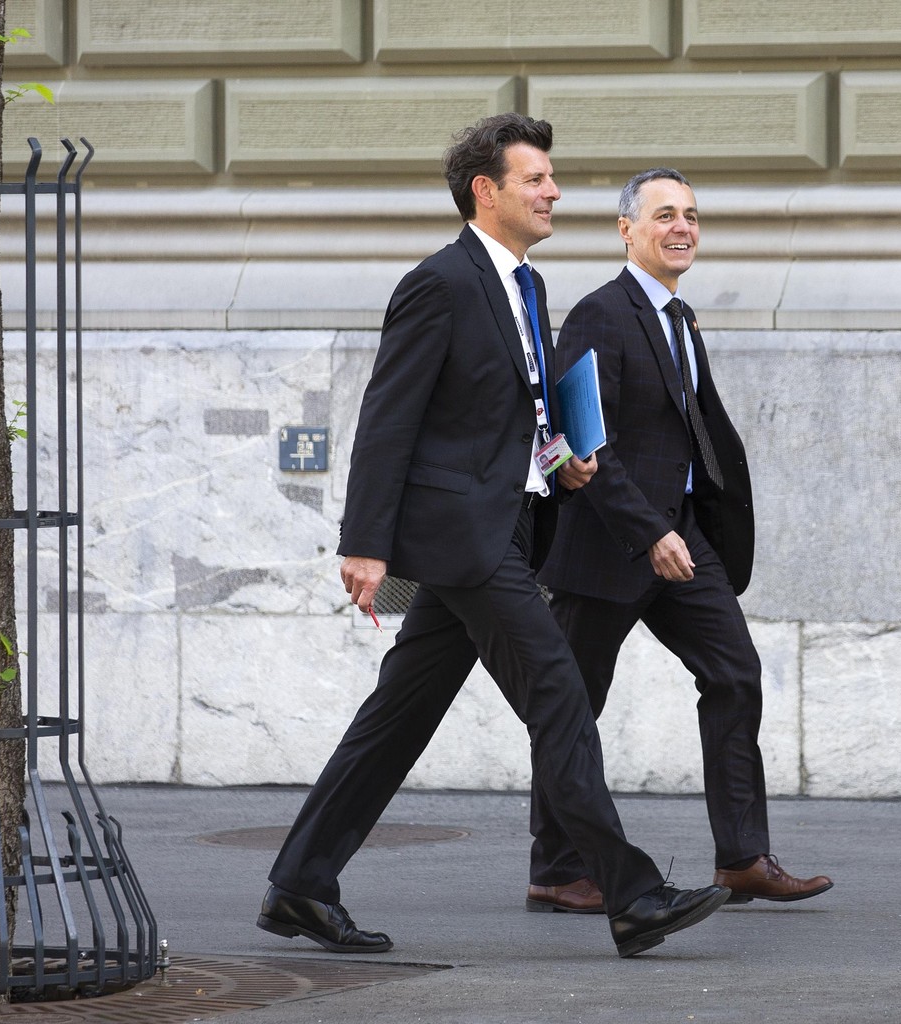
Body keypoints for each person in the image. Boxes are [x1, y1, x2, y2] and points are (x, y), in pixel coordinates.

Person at [256, 118, 730, 960]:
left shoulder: (529, 287)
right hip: (463, 538)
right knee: (558, 694)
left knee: (396, 717)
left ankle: (299, 883)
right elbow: (387, 418)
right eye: (537, 179)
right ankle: (633, 893)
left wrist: (560, 460)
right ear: (487, 190)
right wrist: (363, 543)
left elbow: (514, 412)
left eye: (551, 180)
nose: (554, 193)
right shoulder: (440, 283)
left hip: (503, 526)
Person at [529, 168, 832, 914]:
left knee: (734, 675)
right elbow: (581, 441)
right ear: (626, 230)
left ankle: (743, 858)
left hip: (683, 537)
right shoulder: (604, 313)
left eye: (692, 216)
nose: (682, 228)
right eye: (665, 215)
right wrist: (650, 528)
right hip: (609, 543)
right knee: (575, 706)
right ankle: (556, 867)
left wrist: (695, 523)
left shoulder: (680, 316)